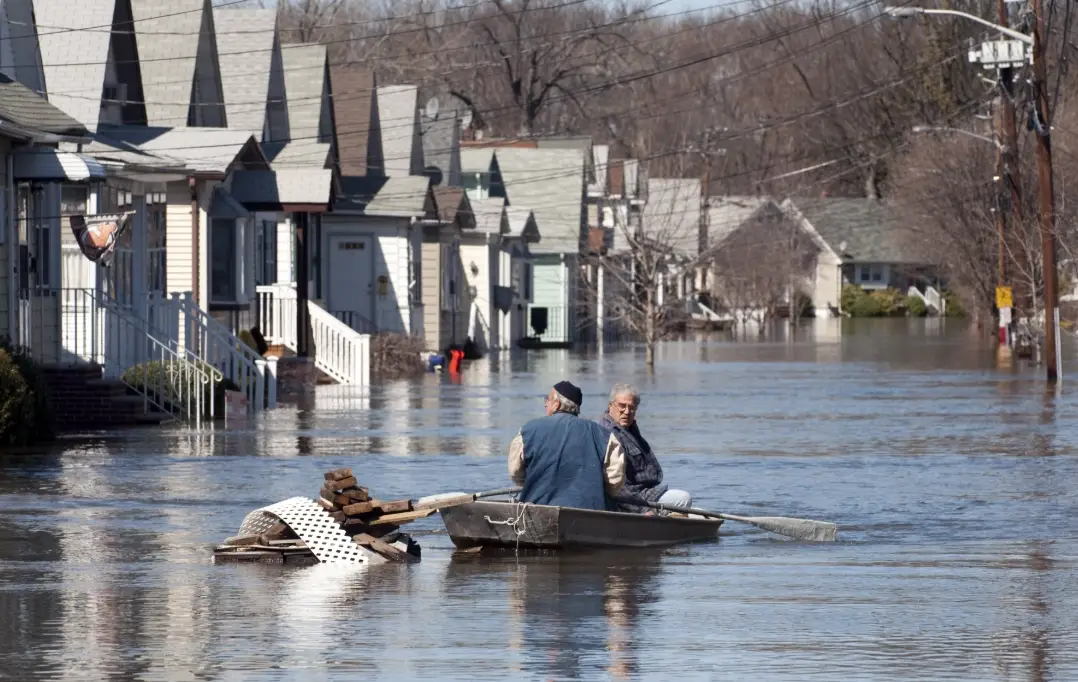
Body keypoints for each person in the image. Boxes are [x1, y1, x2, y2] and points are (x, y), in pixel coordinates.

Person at [508, 381, 626, 510]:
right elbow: (615, 479)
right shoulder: (604, 435)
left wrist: (529, 483)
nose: (545, 403)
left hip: (538, 509)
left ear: (556, 403)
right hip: (589, 512)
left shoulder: (527, 431)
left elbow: (515, 471)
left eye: (547, 399)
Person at [599, 383, 693, 514]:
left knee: (691, 510)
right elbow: (616, 485)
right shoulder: (608, 434)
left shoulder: (629, 429)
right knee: (683, 499)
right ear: (610, 406)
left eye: (632, 408)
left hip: (647, 492)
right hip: (633, 499)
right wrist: (643, 509)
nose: (627, 411)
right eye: (622, 406)